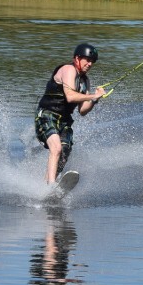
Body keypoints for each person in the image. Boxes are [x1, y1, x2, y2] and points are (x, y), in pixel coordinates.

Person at [35, 43, 106, 183]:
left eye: (92, 61)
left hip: (64, 120)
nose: (90, 64)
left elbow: (83, 110)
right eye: (87, 60)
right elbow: (70, 96)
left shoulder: (85, 81)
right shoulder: (68, 69)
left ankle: (46, 186)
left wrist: (95, 99)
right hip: (47, 115)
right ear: (77, 58)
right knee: (56, 148)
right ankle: (51, 186)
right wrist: (92, 96)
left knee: (64, 153)